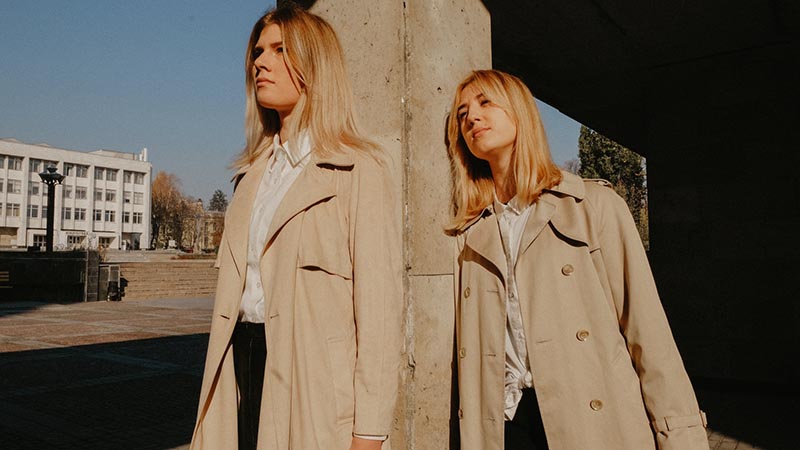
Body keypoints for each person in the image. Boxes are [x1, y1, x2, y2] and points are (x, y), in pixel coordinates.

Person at [446, 69, 709, 450]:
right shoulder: (469, 233)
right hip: (506, 423)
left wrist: (680, 436)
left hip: (590, 422)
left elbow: (647, 333)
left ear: (520, 112)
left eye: (486, 103)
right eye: (462, 113)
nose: (471, 117)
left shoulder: (593, 206)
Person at [190, 4, 402, 450]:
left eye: (278, 49)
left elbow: (380, 316)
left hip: (315, 389)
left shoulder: (358, 170)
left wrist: (369, 432)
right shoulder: (249, 179)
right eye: (258, 50)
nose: (258, 61)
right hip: (242, 367)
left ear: (313, 62)